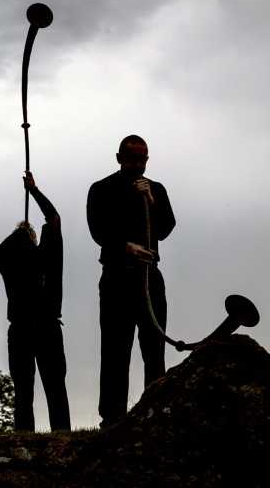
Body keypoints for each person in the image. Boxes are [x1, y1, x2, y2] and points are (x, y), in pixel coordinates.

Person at [86, 135, 176, 428]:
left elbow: (165, 229)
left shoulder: (156, 190)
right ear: (119, 157)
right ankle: (112, 419)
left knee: (154, 347)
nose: (138, 164)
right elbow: (98, 231)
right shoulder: (101, 189)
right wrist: (125, 246)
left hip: (150, 277)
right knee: (115, 349)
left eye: (143, 159)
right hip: (116, 276)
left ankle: (155, 415)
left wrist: (150, 199)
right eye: (132, 158)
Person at [0, 171, 71, 432]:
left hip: (35, 326)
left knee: (39, 388)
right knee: (36, 389)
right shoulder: (19, 261)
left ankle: (46, 434)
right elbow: (53, 219)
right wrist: (23, 231)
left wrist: (33, 194)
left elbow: (53, 219)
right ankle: (46, 434)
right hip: (34, 327)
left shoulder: (39, 257)